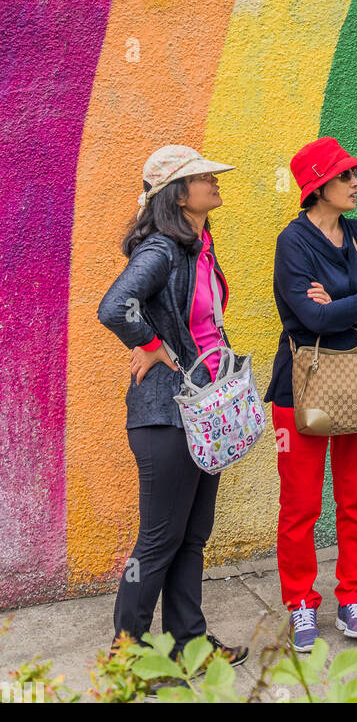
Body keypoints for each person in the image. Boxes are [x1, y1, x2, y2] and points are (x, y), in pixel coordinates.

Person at [97, 144, 249, 666]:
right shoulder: (162, 248)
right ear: (179, 194)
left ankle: (189, 645)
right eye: (204, 176)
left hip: (201, 411)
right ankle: (127, 657)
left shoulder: (197, 244)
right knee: (159, 540)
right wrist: (150, 345)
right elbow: (115, 307)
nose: (214, 181)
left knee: (191, 535)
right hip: (166, 416)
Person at [265, 136, 357, 650]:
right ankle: (300, 603)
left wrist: (354, 297)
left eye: (354, 173)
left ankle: (354, 597)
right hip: (301, 387)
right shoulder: (292, 243)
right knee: (300, 507)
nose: (355, 182)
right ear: (318, 185)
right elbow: (311, 316)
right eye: (345, 176)